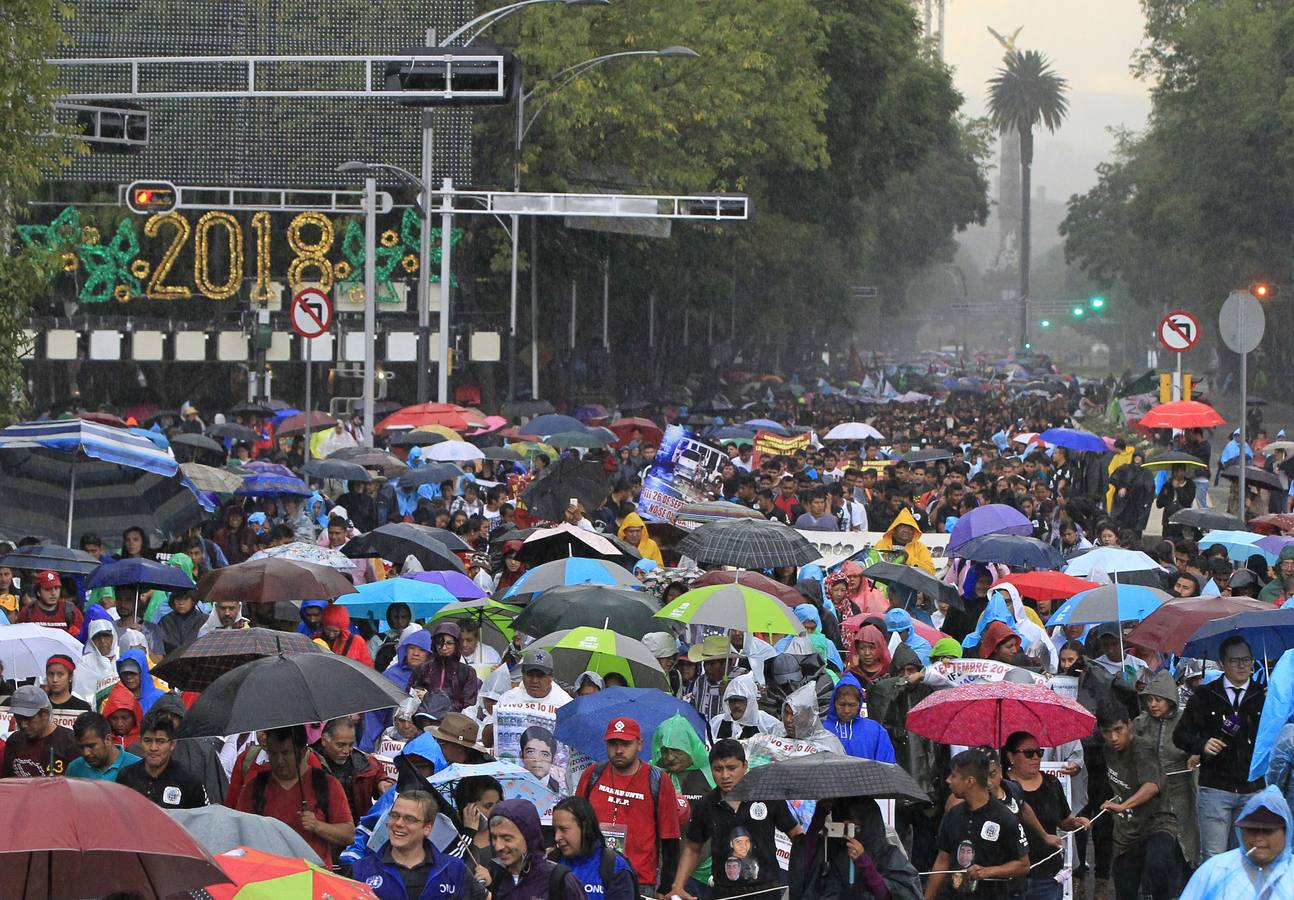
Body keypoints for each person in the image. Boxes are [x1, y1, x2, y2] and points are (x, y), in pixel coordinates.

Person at [668, 739, 803, 900]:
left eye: (732, 768)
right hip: (724, 893)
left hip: (766, 892)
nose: (725, 776)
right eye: (718, 769)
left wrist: (807, 871)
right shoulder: (706, 805)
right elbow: (692, 848)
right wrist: (677, 886)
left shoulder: (767, 797)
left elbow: (796, 833)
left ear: (745, 766)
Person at [1173, 635, 1265, 862]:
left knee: (1247, 858)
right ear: (1222, 664)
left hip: (1252, 788)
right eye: (1235, 661)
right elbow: (1179, 736)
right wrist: (1201, 745)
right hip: (1215, 787)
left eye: (1247, 660)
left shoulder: (1263, 696)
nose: (1242, 665)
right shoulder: (1205, 695)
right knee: (1213, 858)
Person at [576, 716, 681, 892]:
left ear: (639, 744)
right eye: (613, 743)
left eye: (625, 744)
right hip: (592, 876)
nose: (618, 750)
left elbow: (670, 838)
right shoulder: (592, 774)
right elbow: (575, 823)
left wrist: (666, 887)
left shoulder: (657, 780)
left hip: (639, 881)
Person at [233, 725, 356, 867]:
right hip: (267, 878)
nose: (279, 760)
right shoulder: (254, 787)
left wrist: (317, 826)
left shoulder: (326, 784)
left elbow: (349, 834)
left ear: (302, 752)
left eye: (286, 753)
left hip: (313, 879)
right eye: (273, 753)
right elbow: (239, 831)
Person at [1098, 701, 1183, 900]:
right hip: (1126, 832)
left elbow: (1151, 786)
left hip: (1157, 823)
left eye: (1118, 730)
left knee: (1158, 865)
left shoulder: (1143, 748)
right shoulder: (1106, 750)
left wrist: (1122, 806)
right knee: (1125, 891)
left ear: (1129, 725)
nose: (1114, 737)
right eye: (1107, 732)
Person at [923, 748, 1030, 900]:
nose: (948, 780)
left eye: (953, 776)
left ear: (970, 781)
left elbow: (1023, 865)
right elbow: (942, 860)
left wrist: (988, 872)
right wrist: (927, 897)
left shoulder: (1004, 817)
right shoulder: (953, 814)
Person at [1002, 731, 1091, 900]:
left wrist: (1076, 822)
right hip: (1011, 875)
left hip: (1047, 874)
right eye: (1029, 753)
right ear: (1010, 756)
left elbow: (1063, 821)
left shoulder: (1051, 783)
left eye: (1039, 752)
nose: (1036, 757)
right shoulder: (1001, 788)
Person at [350, 789, 486, 900]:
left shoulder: (454, 869)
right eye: (395, 815)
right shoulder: (361, 870)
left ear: (427, 828)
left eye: (409, 819)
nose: (398, 823)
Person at [789, 795, 924, 900]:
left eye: (854, 827)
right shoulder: (829, 850)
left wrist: (864, 863)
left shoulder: (887, 855)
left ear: (867, 825)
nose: (848, 833)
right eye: (843, 826)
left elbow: (891, 895)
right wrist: (818, 818)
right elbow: (803, 869)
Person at [1179, 785, 1293, 899]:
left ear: (1286, 832)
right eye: (1252, 830)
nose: (1259, 838)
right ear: (1241, 831)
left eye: (1268, 831)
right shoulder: (1216, 869)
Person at [1134, 671, 1199, 869]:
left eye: (1158, 700)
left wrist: (1195, 755)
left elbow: (1197, 748)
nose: (1152, 704)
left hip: (1180, 792)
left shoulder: (1186, 720)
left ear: (1170, 700)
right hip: (1149, 794)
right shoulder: (1140, 723)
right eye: (1149, 699)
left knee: (1184, 842)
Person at [483, 799, 585, 900]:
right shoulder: (499, 877)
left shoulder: (559, 880)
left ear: (528, 836)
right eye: (493, 838)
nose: (498, 846)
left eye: (507, 838)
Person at [550, 796, 640, 900]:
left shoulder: (615, 868)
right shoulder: (551, 862)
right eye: (555, 829)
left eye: (563, 829)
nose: (557, 837)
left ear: (585, 827)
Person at [116, 710, 209, 809]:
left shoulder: (189, 782)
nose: (153, 748)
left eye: (161, 741)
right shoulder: (126, 777)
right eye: (147, 741)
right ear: (140, 742)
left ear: (172, 744)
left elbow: (200, 820)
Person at [0, 685, 78, 777]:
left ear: (44, 714)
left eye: (28, 718)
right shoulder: (14, 741)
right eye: (18, 718)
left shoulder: (70, 742)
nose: (23, 724)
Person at [315, 717, 382, 823]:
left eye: (350, 745)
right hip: (327, 829)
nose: (346, 751)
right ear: (324, 740)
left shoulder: (367, 763)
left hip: (359, 829)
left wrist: (383, 783)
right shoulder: (309, 765)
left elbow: (380, 777)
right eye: (340, 745)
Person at [822, 673, 895, 761]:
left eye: (852, 705)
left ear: (860, 704)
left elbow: (887, 764)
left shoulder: (875, 731)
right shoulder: (822, 730)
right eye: (842, 704)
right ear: (834, 703)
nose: (846, 710)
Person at [410, 622, 480, 712]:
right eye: (439, 643)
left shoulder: (466, 672)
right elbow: (414, 697)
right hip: (425, 720)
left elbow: (468, 706)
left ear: (457, 644)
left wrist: (432, 699)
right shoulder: (424, 668)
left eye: (449, 643)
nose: (444, 647)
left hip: (454, 722)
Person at [67, 710, 139, 781]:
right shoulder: (74, 769)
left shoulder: (138, 767)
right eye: (81, 747)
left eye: (91, 746)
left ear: (108, 739)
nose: (86, 753)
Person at [709, 673, 777, 740]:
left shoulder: (765, 722)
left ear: (750, 701)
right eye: (732, 701)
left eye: (741, 701)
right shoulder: (716, 722)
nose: (736, 705)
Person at [16, 569, 83, 634]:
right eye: (48, 589)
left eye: (56, 588)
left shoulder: (72, 611)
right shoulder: (27, 613)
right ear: (38, 592)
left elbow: (82, 637)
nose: (53, 593)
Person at [74, 619, 121, 706]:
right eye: (97, 637)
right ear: (91, 640)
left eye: (106, 636)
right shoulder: (84, 663)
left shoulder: (122, 656)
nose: (102, 641)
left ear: (113, 637)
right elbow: (80, 693)